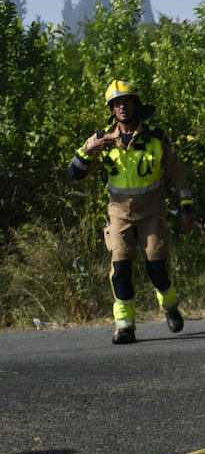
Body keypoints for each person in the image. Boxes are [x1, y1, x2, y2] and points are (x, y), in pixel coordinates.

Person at [68, 80, 195, 345]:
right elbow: (74, 174)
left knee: (156, 268)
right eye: (116, 103)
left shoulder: (156, 137)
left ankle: (170, 306)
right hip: (118, 216)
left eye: (126, 101)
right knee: (121, 268)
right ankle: (124, 325)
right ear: (111, 110)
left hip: (152, 213)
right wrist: (88, 150)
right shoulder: (103, 139)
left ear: (136, 105)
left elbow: (177, 173)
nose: (122, 106)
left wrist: (186, 208)